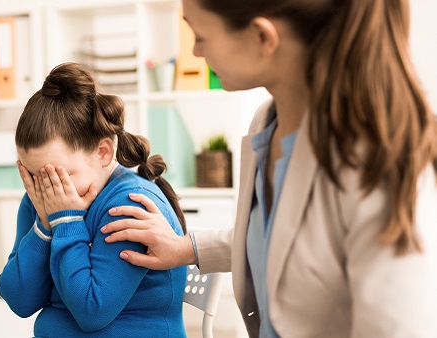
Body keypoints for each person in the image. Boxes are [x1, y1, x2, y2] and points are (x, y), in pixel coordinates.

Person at [101, 0, 437, 337]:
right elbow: (280, 239)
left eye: (200, 35)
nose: (195, 50)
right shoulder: (266, 123)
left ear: (263, 37)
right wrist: (185, 249)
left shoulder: (378, 165)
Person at [0, 62, 188, 337]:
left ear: (102, 152)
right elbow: (19, 300)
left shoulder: (130, 205)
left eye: (58, 175)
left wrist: (67, 222)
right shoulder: (41, 202)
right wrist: (43, 226)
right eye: (34, 175)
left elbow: (91, 311)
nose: (47, 188)